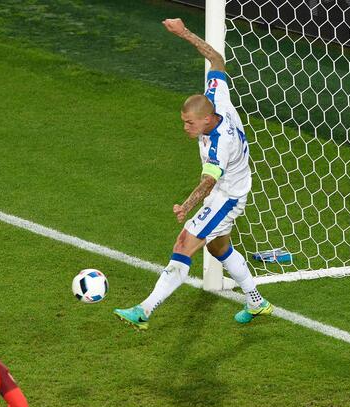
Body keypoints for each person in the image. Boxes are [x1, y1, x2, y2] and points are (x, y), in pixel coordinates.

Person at [114, 18, 273, 330]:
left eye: (189, 123)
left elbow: (209, 181)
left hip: (226, 195)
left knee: (184, 243)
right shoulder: (218, 99)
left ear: (206, 120)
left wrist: (186, 206)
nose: (185, 127)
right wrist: (183, 32)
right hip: (231, 187)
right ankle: (257, 302)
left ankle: (144, 310)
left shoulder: (220, 144)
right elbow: (216, 59)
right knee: (219, 247)